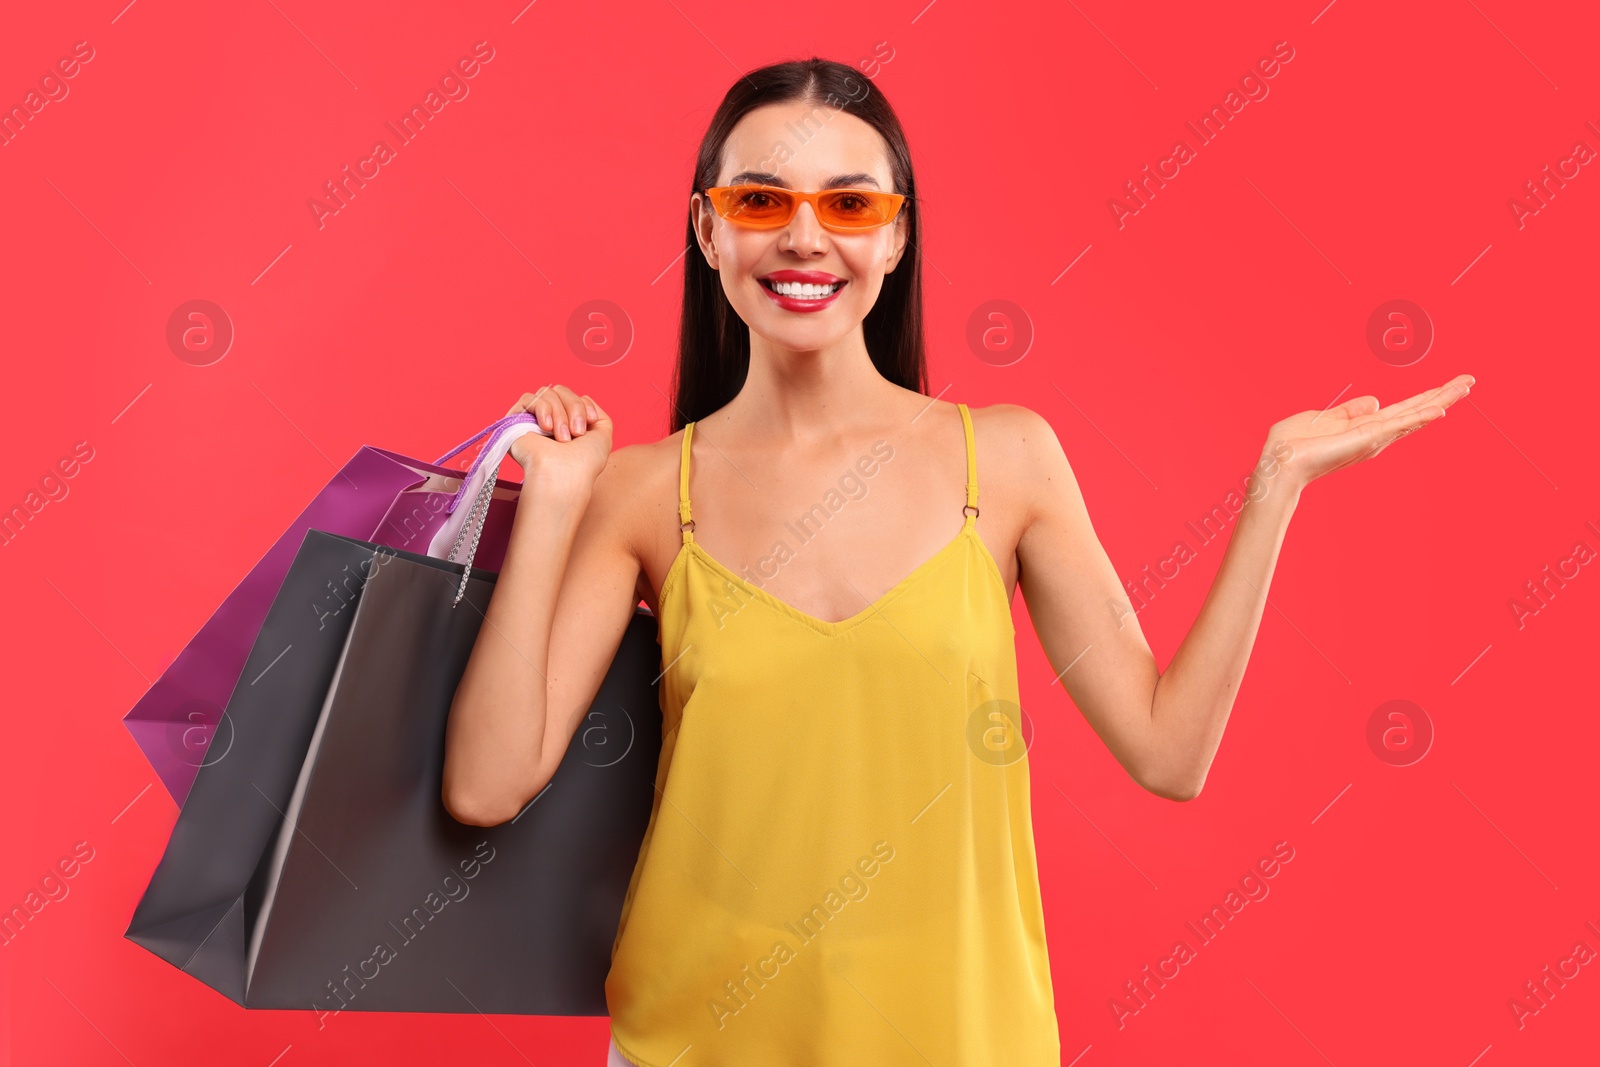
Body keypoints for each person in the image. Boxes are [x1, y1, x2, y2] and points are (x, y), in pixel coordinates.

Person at [439, 57, 1472, 1066]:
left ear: (895, 237)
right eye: (760, 200)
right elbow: (485, 784)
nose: (803, 237)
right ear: (707, 229)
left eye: (849, 206)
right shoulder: (640, 488)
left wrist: (1274, 486)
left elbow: (1170, 753)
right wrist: (556, 502)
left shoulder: (1007, 457)